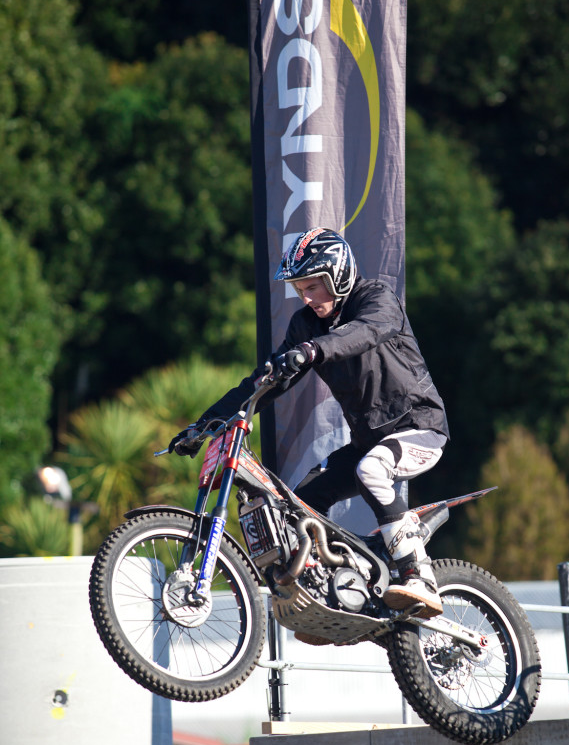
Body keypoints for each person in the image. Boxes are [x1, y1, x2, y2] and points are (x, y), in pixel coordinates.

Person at [170, 228, 449, 617]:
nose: (306, 297)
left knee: (371, 469)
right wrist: (203, 426)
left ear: (339, 275)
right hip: (368, 441)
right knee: (300, 505)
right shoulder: (306, 325)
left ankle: (419, 575)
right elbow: (261, 384)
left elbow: (365, 332)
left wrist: (313, 350)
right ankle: (332, 594)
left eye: (314, 286)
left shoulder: (377, 299)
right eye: (301, 288)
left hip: (419, 428)